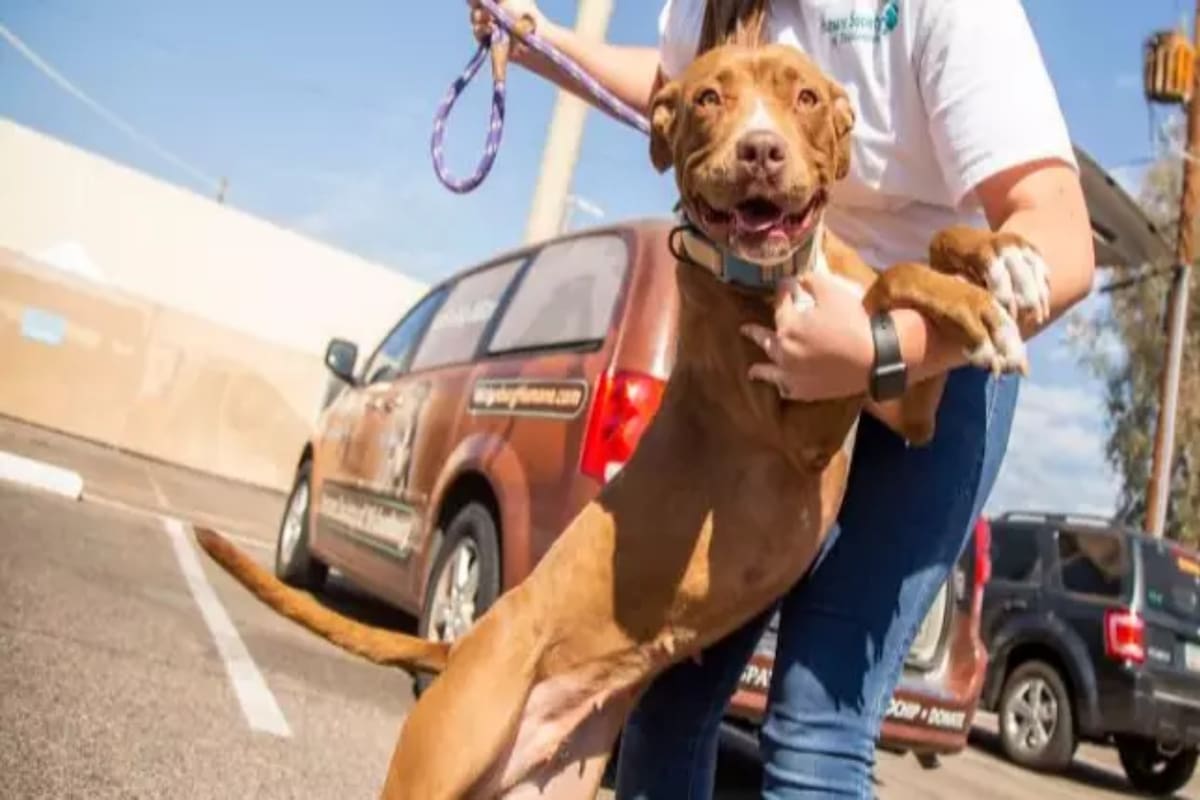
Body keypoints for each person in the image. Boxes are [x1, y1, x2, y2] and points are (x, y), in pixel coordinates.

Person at [467, 1, 1096, 797]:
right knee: (668, 695)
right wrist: (545, 44)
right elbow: (674, 83)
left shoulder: (951, 12)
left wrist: (878, 351)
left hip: (934, 343)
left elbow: (1063, 242)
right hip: (773, 325)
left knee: (816, 724)